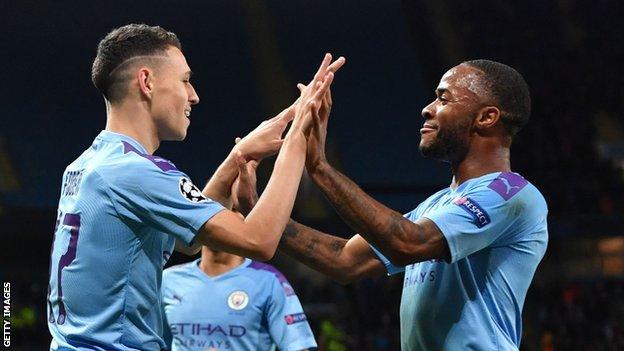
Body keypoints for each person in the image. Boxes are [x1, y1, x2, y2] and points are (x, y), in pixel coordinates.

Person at [46, 23, 343, 350]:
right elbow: (259, 240)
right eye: (185, 81)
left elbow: (188, 241)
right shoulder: (135, 173)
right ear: (147, 82)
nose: (194, 95)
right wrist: (299, 137)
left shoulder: (88, 165)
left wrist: (238, 156)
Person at [267, 60, 547, 350]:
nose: (427, 108)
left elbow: (407, 243)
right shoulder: (437, 205)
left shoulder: (511, 193)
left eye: (443, 98)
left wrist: (319, 167)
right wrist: (261, 215)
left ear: (487, 117)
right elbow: (345, 260)